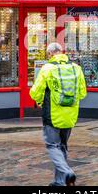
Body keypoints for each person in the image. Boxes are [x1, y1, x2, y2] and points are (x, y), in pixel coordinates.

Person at [29, 42, 87, 186]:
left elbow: (35, 92)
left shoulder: (47, 69)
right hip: (70, 116)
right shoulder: (76, 68)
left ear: (49, 54)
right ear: (62, 52)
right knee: (63, 146)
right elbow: (83, 93)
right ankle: (60, 181)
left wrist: (41, 101)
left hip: (52, 115)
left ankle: (67, 171)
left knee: (52, 146)